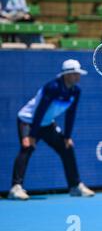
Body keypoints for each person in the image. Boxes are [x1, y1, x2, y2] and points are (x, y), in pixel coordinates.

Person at [9, 59, 95, 200]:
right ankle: (15, 188)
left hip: (47, 124)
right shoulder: (53, 87)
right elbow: (40, 111)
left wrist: (67, 136)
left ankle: (75, 186)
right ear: (66, 75)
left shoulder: (75, 91)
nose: (78, 77)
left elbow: (71, 114)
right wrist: (31, 135)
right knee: (27, 147)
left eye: (78, 74)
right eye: (75, 74)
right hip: (28, 121)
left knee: (67, 147)